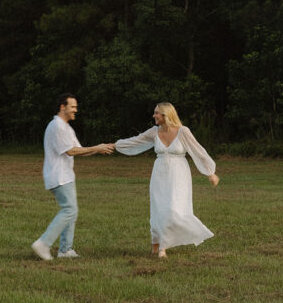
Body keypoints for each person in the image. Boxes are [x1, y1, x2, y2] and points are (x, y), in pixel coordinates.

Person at [113, 102, 220, 258]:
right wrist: (114, 146)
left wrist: (210, 172)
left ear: (166, 115)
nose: (154, 115)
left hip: (179, 175)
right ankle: (157, 245)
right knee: (158, 209)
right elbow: (134, 141)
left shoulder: (183, 132)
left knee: (173, 209)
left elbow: (198, 150)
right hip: (159, 174)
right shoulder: (154, 132)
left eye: (156, 113)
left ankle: (164, 245)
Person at [31, 93, 113, 262]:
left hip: (66, 175)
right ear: (63, 107)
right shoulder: (57, 126)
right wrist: (97, 147)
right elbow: (70, 151)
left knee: (71, 211)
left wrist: (99, 149)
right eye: (73, 106)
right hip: (58, 176)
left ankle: (65, 250)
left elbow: (79, 150)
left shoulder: (67, 128)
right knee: (69, 210)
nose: (76, 110)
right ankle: (43, 243)